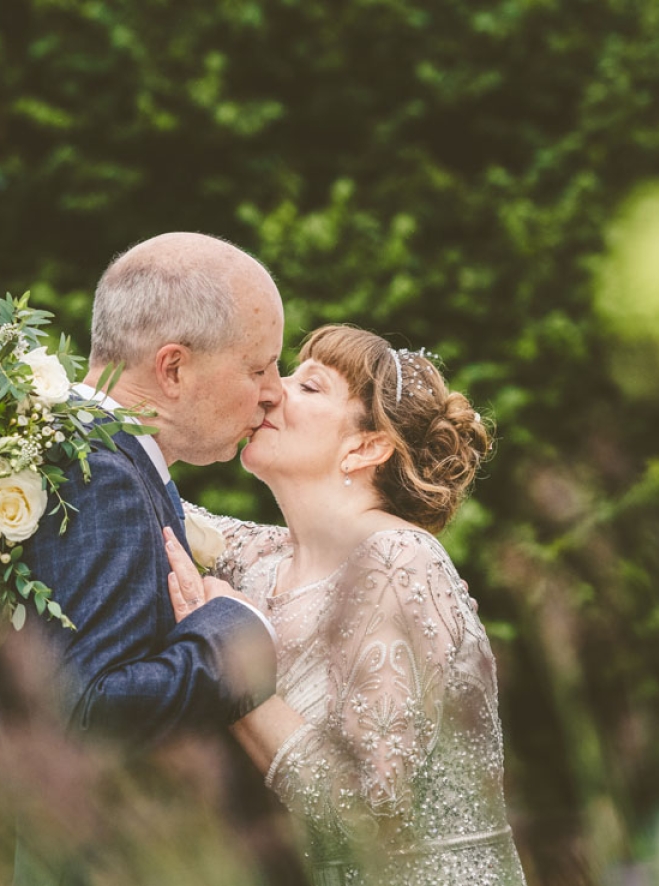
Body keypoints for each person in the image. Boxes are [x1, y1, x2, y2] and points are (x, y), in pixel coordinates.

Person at [0, 232, 296, 884]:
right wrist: (236, 631)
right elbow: (87, 714)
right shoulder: (101, 471)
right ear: (173, 368)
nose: (274, 394)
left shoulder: (92, 455)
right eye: (259, 368)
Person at [166, 325, 528, 885]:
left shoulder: (400, 560)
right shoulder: (264, 559)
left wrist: (232, 666)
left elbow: (371, 813)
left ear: (366, 446)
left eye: (308, 386)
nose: (270, 391)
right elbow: (149, 505)